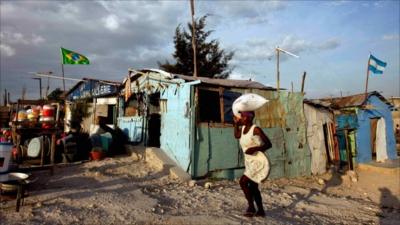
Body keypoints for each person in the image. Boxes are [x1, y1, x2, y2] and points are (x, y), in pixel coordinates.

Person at [234, 111, 272, 217]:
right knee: (253, 187)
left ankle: (251, 207)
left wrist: (254, 148)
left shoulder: (256, 129)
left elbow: (269, 144)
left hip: (258, 161)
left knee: (243, 182)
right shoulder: (242, 129)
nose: (241, 118)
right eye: (241, 116)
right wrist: (236, 125)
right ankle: (260, 211)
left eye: (243, 117)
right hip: (249, 161)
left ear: (250, 118)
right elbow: (237, 136)